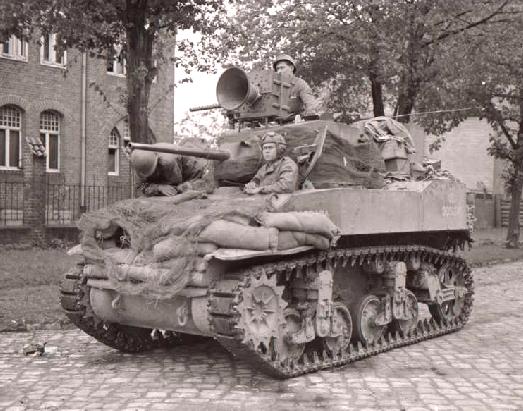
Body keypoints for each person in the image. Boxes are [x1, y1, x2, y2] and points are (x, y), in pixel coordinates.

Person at [130, 145, 213, 196]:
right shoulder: (140, 162)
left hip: (195, 172)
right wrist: (158, 187)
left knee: (184, 189)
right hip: (179, 169)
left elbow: (174, 189)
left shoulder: (167, 162)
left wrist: (157, 188)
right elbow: (140, 187)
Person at [273, 54, 319, 118]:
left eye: (282, 68)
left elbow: (310, 102)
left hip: (295, 120)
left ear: (291, 68)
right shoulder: (274, 86)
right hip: (275, 121)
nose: (279, 71)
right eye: (277, 69)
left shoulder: (300, 84)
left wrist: (310, 114)